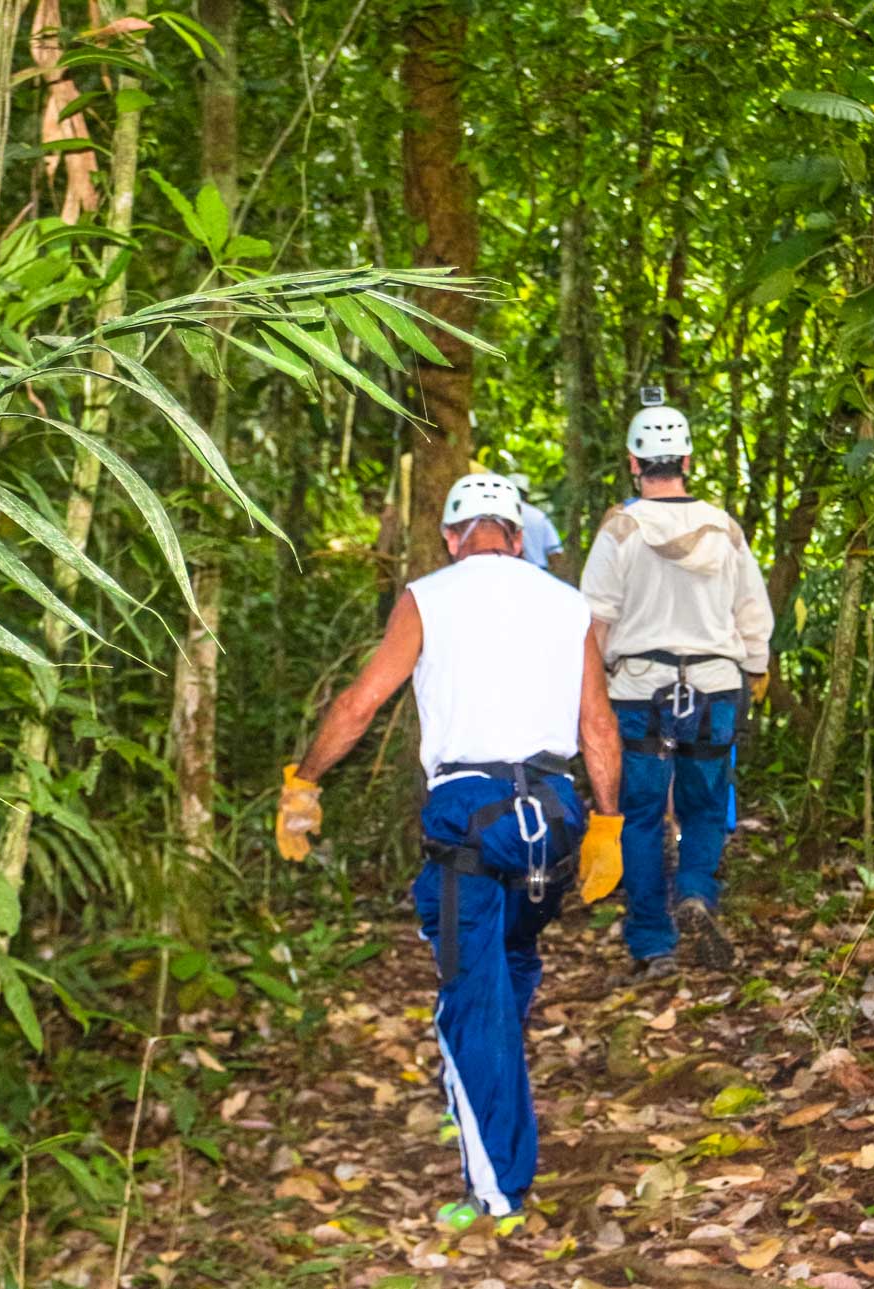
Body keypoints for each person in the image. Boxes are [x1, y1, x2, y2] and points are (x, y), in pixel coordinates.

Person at [273, 472, 624, 1226]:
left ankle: (498, 1183)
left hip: (470, 815)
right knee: (514, 956)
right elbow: (598, 727)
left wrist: (304, 780)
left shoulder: (428, 596)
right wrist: (606, 825)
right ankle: (491, 1083)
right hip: (552, 817)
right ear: (518, 532)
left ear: (451, 536)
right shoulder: (567, 605)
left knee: (470, 996)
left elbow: (359, 703)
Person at [580, 402, 773, 979]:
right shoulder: (725, 529)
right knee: (705, 807)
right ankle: (694, 892)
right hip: (714, 687)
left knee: (640, 817)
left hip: (640, 691)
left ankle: (652, 944)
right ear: (687, 460)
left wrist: (589, 689)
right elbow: (753, 617)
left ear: (634, 463)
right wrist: (754, 675)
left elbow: (594, 622)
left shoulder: (620, 530)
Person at [507, 472, 566, 573]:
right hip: (539, 572)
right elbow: (556, 553)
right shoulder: (539, 516)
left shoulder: (500, 516)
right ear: (527, 494)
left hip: (510, 572)